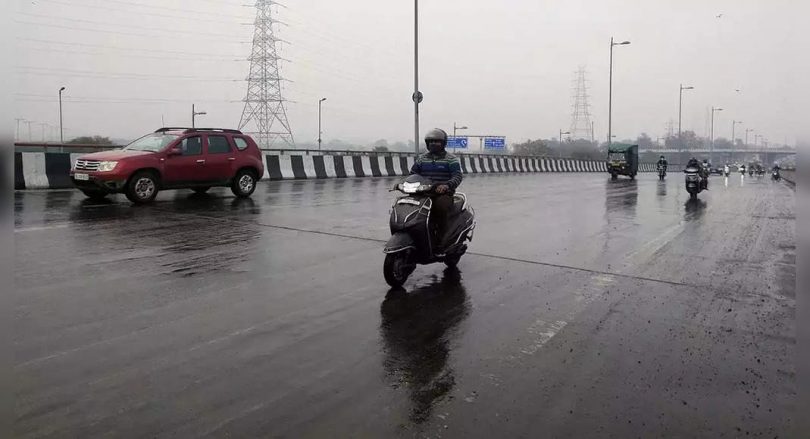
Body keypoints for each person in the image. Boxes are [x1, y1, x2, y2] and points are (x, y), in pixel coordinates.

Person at [410, 128, 463, 251]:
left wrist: (447, 185)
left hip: (442, 194)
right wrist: (404, 183)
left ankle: (442, 238)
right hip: (423, 192)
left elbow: (457, 176)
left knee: (440, 207)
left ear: (443, 143)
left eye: (437, 141)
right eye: (431, 141)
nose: (433, 144)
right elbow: (413, 174)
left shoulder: (451, 159)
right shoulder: (422, 159)